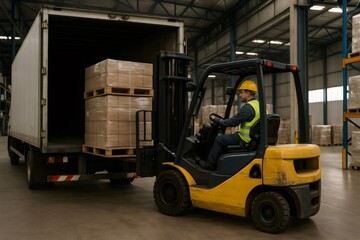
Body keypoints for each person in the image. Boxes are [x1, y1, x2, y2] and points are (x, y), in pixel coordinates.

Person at [199, 80, 260, 170]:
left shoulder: (248, 108)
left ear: (247, 93)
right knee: (224, 137)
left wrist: (220, 121)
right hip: (253, 138)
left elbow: (233, 122)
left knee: (219, 139)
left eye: (241, 92)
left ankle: (210, 165)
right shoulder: (258, 105)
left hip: (245, 138)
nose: (239, 95)